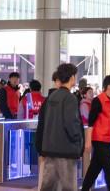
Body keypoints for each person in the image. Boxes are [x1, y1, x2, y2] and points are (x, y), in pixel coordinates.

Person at [36, 63, 84, 191]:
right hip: (66, 149)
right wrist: (78, 143)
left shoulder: (51, 97)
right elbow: (72, 124)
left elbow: (44, 122)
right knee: (68, 187)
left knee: (48, 187)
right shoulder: (70, 98)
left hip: (50, 149)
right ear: (72, 77)